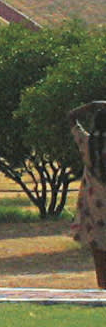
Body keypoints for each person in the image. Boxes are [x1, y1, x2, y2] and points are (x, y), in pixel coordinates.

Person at [68, 101, 106, 288]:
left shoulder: (88, 143)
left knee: (99, 246)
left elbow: (71, 117)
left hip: (95, 203)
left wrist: (91, 106)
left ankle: (103, 285)